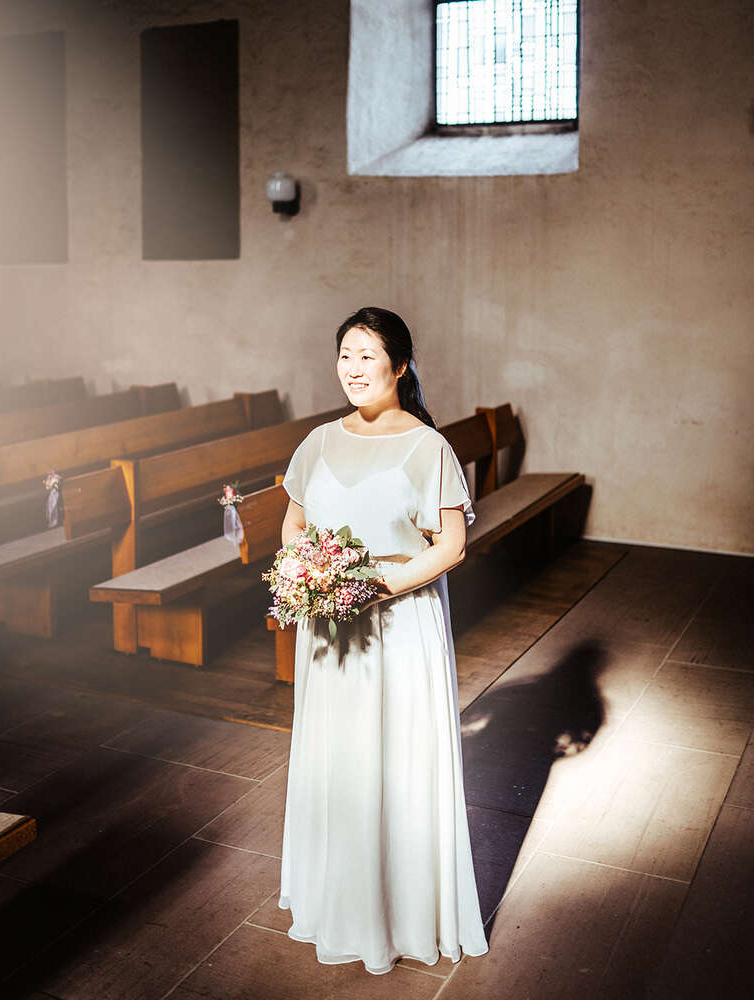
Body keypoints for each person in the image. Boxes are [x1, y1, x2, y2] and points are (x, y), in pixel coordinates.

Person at [276, 306, 489, 975]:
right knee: (338, 764)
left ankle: (398, 913)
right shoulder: (316, 442)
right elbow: (293, 525)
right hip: (329, 633)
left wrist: (372, 588)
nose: (355, 368)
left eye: (369, 355)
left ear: (400, 365)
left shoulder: (428, 447)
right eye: (346, 354)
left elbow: (451, 546)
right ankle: (338, 900)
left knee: (393, 763)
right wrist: (308, 574)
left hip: (398, 629)